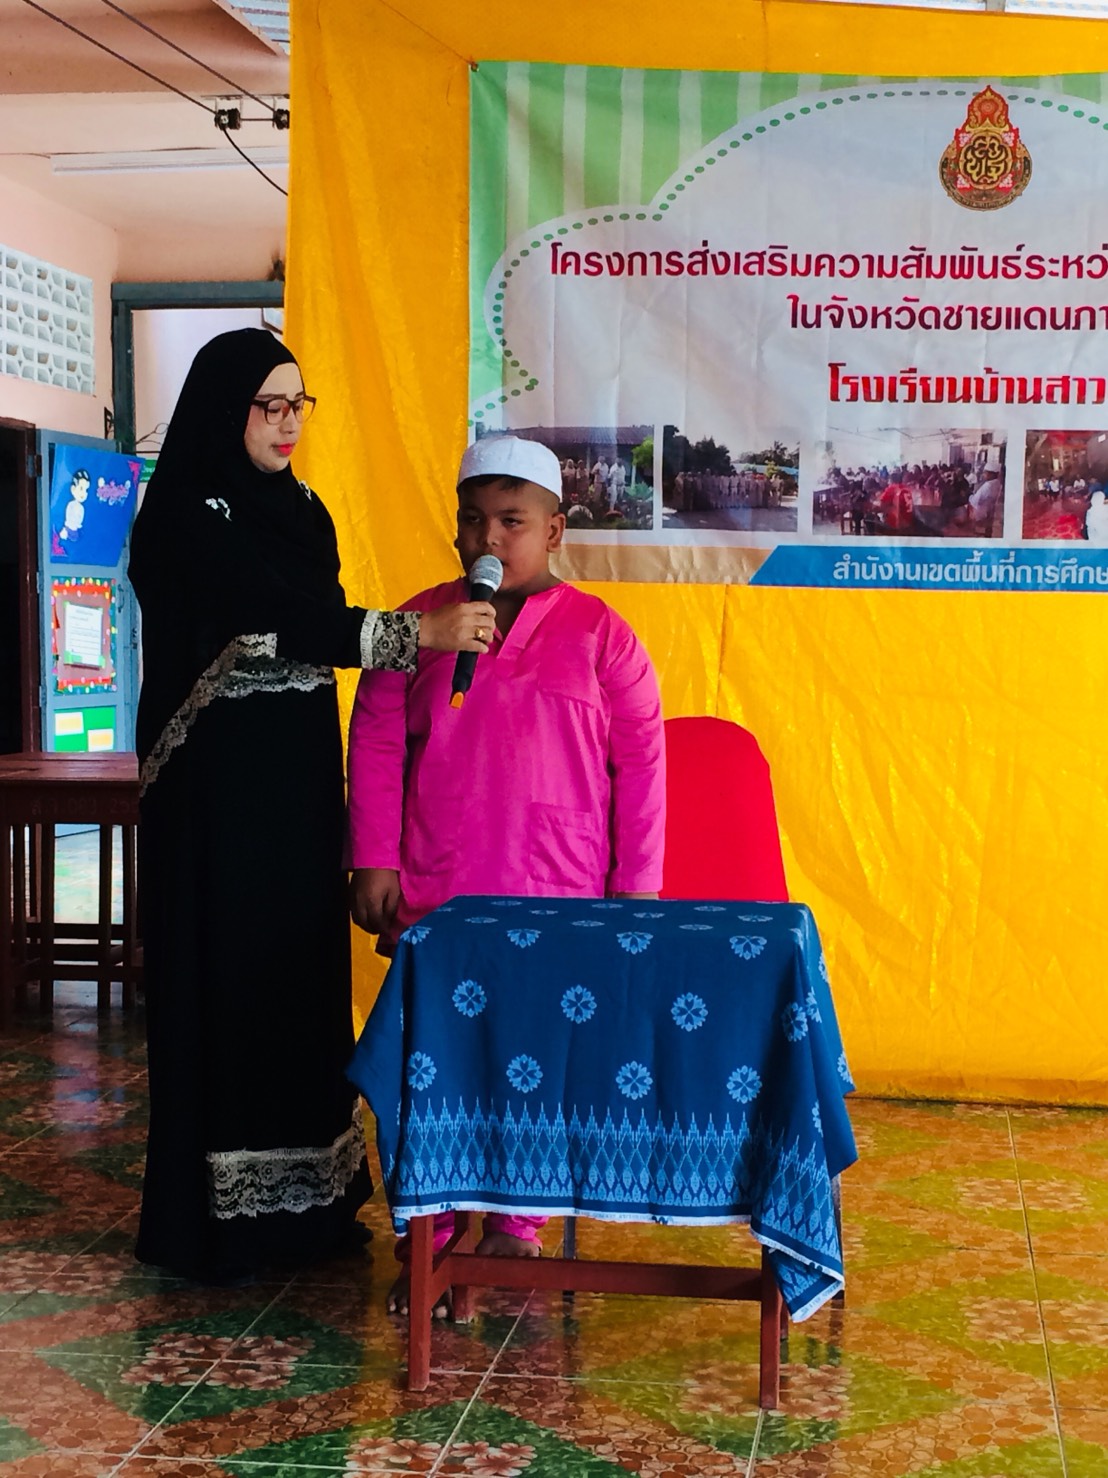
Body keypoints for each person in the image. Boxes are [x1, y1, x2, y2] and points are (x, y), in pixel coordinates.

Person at [127, 328, 495, 1284]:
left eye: (299, 405)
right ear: (226, 409)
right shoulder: (183, 514)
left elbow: (310, 626)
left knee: (296, 975)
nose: (289, 424)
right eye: (270, 405)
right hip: (215, 798)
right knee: (231, 978)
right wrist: (416, 635)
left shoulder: (303, 510)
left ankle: (310, 1208)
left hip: (293, 783)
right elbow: (280, 615)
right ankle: (222, 1223)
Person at [345, 433, 666, 1313]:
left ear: (554, 530)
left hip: (558, 897)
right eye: (473, 521)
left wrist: (636, 893)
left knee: (537, 1062)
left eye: (512, 522)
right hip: (438, 891)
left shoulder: (603, 636)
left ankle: (515, 1223)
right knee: (430, 1063)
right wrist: (372, 856)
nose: (488, 539)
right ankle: (431, 1228)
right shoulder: (419, 624)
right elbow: (376, 738)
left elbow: (642, 766)